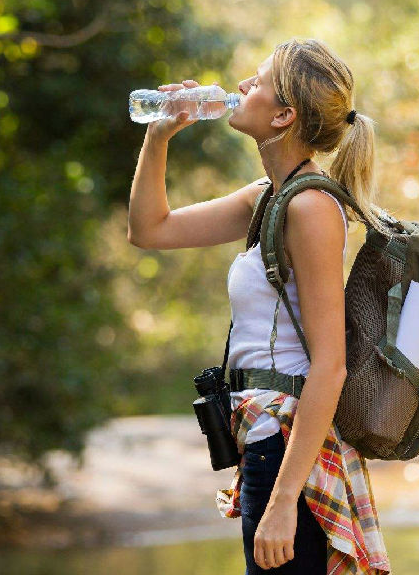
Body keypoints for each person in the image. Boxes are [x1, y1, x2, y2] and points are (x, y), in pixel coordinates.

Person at [127, 38, 391, 574]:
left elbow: (330, 365)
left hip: (291, 451)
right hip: (264, 443)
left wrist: (282, 503)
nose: (242, 84)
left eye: (259, 80)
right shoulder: (266, 197)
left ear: (283, 115)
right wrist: (159, 137)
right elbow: (148, 230)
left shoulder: (312, 208)